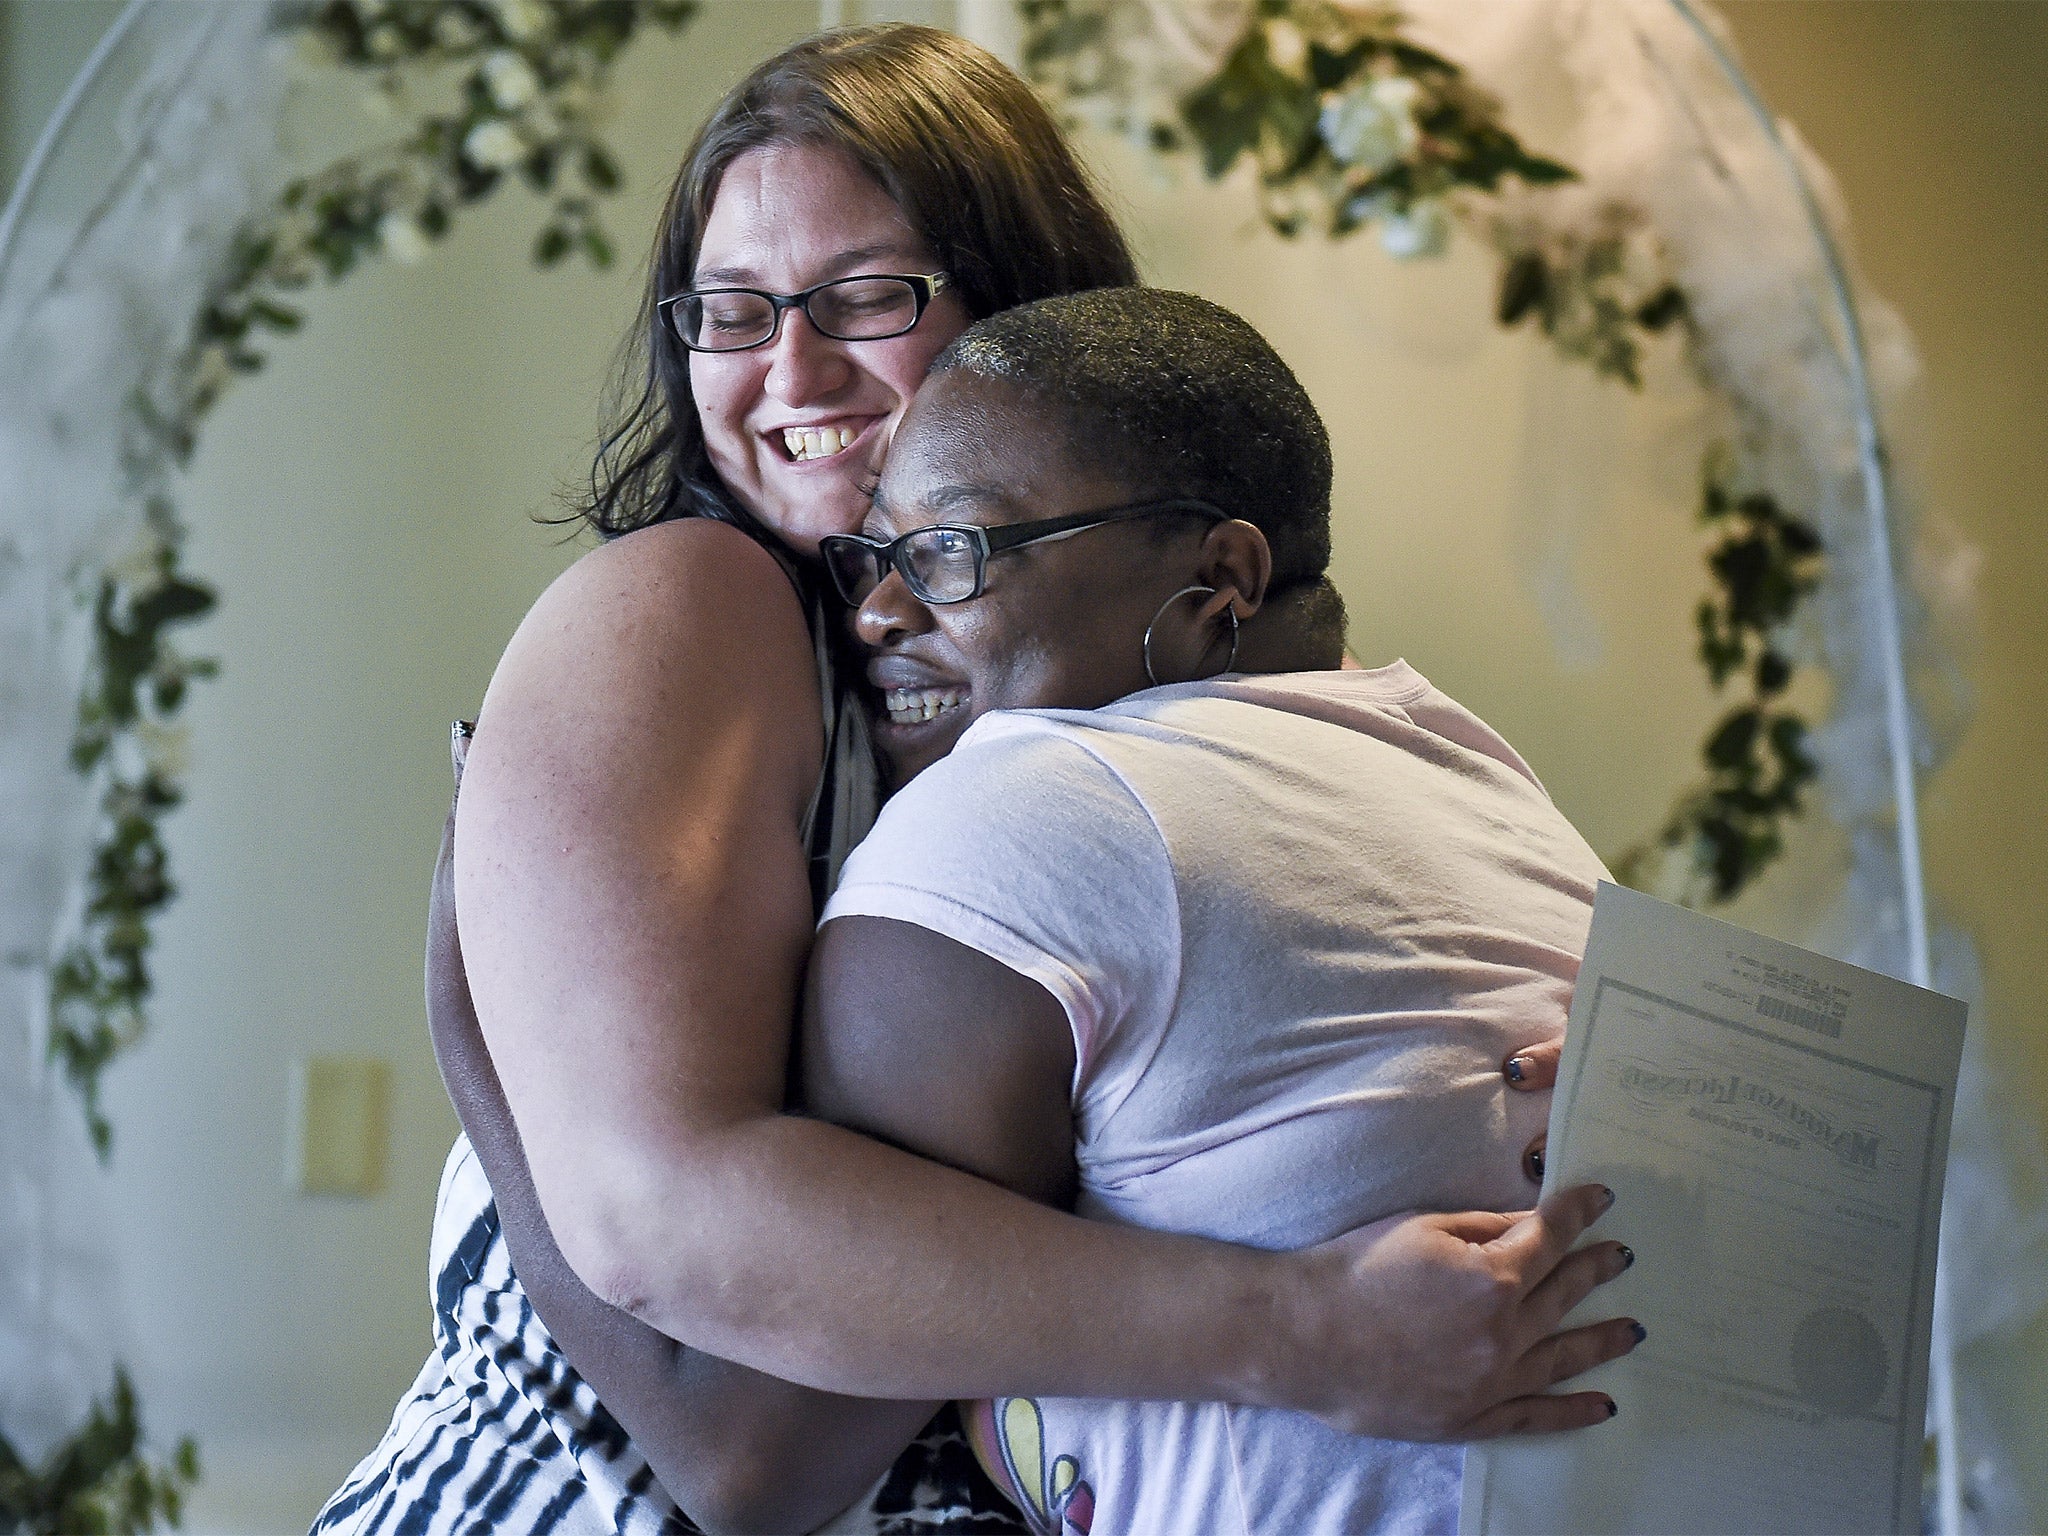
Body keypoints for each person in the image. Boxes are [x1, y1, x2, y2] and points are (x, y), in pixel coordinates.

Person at [315, 25, 1628, 1536]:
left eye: (865, 296)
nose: (790, 369)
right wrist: (1306, 1324)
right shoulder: (700, 604)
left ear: (1025, 312)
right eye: (731, 311)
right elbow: (716, 1376)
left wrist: (1459, 1094)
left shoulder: (1119, 693)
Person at [803, 285, 1622, 1534]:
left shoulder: (1033, 801)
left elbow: (752, 1451)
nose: (880, 610)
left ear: (1219, 576)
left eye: (952, 551)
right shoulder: (1489, 781)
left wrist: (477, 1015)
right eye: (880, 553)